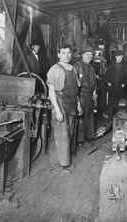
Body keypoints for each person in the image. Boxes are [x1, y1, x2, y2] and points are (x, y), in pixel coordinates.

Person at [47, 43, 79, 176]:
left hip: (71, 103)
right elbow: (51, 92)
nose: (67, 55)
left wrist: (78, 105)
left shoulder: (73, 68)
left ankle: (65, 161)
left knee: (70, 133)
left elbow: (76, 90)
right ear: (58, 54)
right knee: (62, 135)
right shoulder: (54, 69)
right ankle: (59, 165)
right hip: (60, 104)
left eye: (69, 52)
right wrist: (57, 110)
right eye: (63, 53)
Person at [73, 45, 97, 145]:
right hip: (81, 94)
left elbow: (94, 82)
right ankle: (80, 139)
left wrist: (95, 93)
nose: (89, 56)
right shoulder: (77, 66)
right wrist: (77, 99)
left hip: (90, 95)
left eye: (91, 55)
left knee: (90, 116)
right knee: (81, 117)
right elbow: (74, 84)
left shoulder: (91, 68)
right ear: (82, 55)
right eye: (87, 54)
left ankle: (89, 136)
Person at [105, 49, 127, 119]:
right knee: (111, 106)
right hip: (112, 89)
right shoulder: (111, 66)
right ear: (115, 57)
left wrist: (124, 84)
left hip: (120, 90)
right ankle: (110, 120)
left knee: (119, 106)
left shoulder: (124, 67)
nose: (120, 58)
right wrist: (108, 82)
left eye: (121, 57)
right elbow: (106, 76)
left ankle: (118, 121)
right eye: (118, 56)